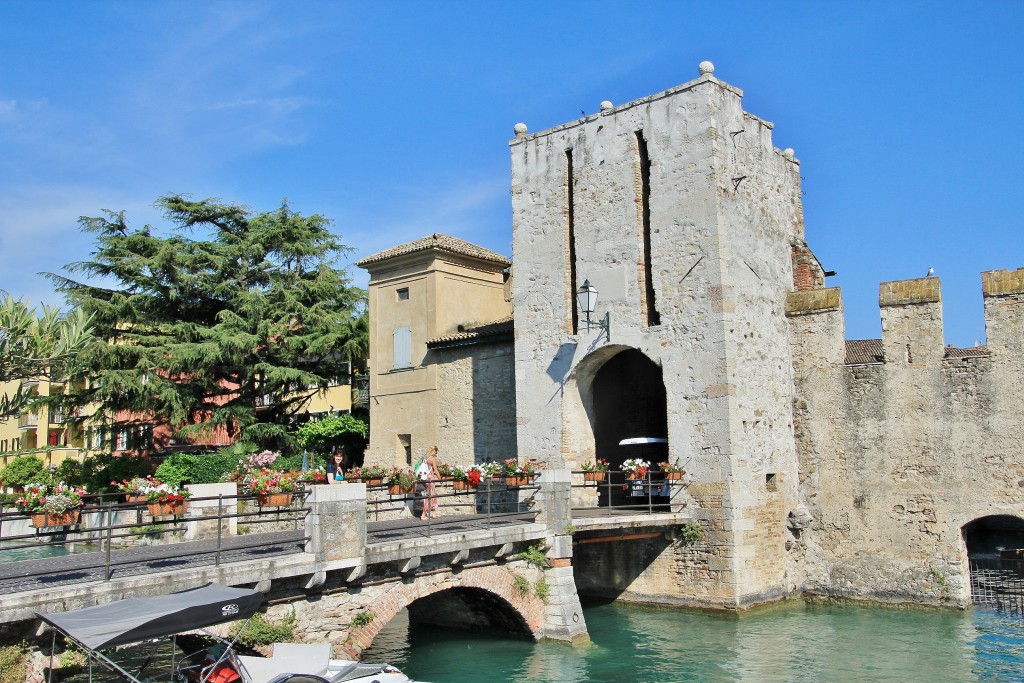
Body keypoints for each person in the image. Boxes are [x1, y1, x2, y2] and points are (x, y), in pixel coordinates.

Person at [420, 445, 441, 519]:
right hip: (430, 479)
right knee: (430, 496)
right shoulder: (432, 459)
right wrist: (440, 479)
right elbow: (436, 470)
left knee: (433, 495)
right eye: (436, 452)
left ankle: (434, 512)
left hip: (425, 478)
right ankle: (423, 514)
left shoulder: (425, 457)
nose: (436, 454)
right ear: (434, 451)